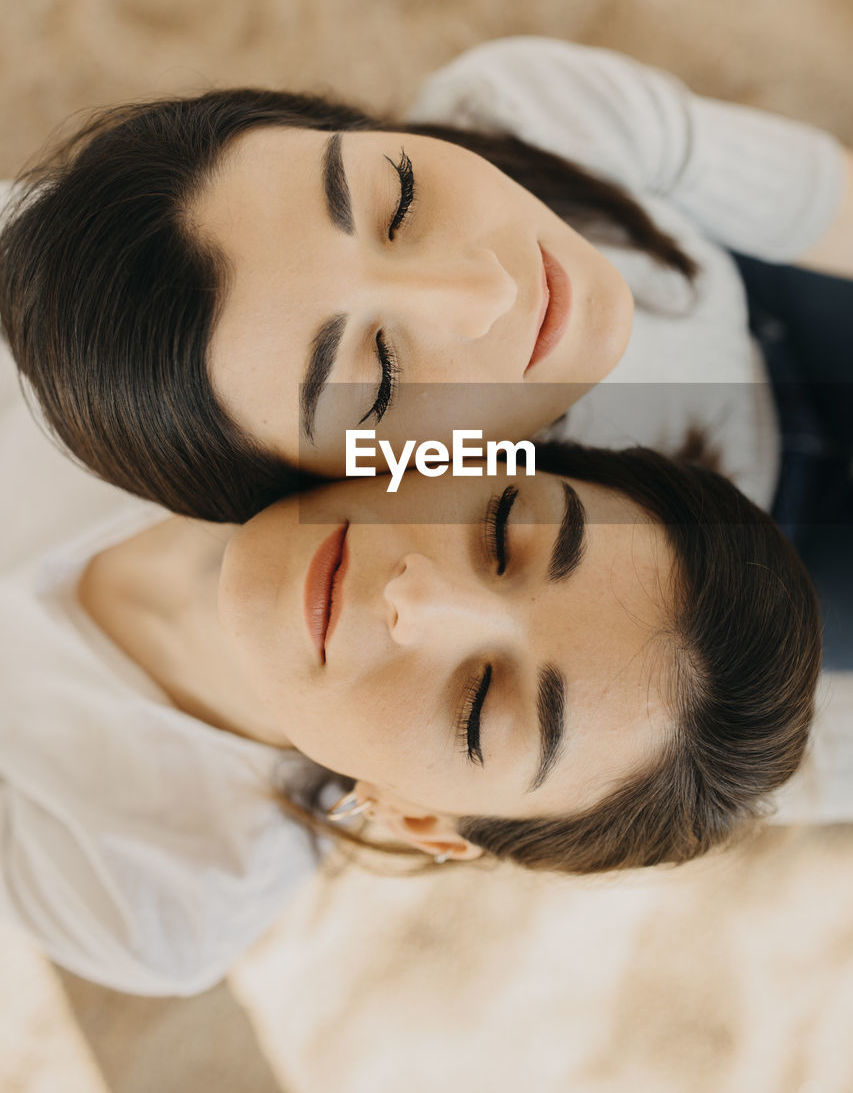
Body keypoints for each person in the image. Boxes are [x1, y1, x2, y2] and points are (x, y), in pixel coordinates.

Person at [0, 340, 825, 995]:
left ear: (421, 819)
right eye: (502, 533)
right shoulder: (152, 336)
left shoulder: (159, 907)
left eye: (475, 706)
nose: (417, 598)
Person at [1, 38, 851, 528]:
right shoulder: (468, 595)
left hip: (767, 302)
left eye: (400, 199)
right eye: (378, 377)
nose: (485, 290)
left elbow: (822, 204)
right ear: (352, 480)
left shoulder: (527, 110)